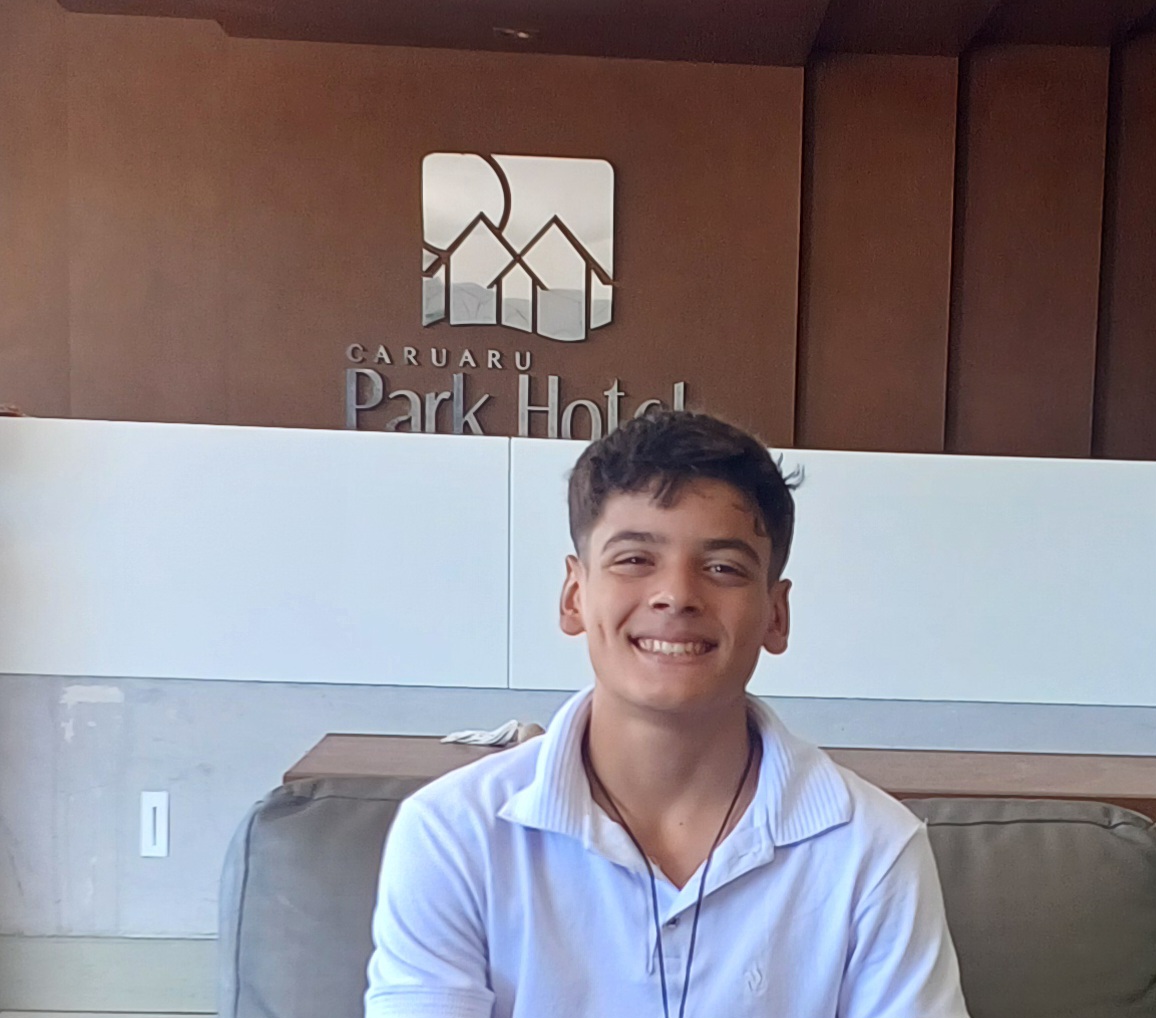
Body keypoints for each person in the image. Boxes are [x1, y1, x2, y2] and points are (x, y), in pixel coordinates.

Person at [365, 409, 970, 1018]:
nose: (677, 595)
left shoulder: (873, 849)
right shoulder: (452, 835)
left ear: (776, 615)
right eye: (634, 560)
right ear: (574, 595)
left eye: (723, 568)